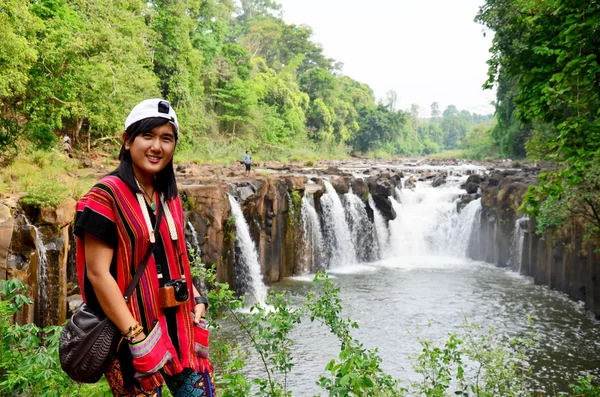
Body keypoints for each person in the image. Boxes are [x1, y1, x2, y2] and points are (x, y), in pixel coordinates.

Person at [74, 98, 216, 396]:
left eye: (167, 138)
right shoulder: (105, 196)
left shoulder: (168, 193)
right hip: (133, 338)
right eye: (148, 136)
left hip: (181, 329)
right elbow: (98, 274)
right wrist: (134, 334)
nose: (157, 147)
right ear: (127, 141)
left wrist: (197, 296)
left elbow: (176, 255)